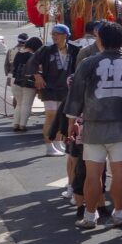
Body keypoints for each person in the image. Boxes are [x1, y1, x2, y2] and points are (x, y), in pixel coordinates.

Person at [66, 22, 122, 229]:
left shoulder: (88, 63)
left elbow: (75, 96)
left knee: (93, 174)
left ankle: (89, 216)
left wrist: (72, 123)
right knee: (119, 173)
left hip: (94, 126)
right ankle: (119, 214)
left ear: (100, 39)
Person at [27, 23, 79, 156]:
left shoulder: (74, 49)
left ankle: (57, 142)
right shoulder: (46, 49)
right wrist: (37, 75)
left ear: (65, 35)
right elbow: (31, 63)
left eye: (57, 34)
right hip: (49, 87)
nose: (54, 36)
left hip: (66, 88)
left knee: (62, 118)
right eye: (53, 34)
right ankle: (48, 145)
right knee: (51, 115)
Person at [10, 37, 41, 131]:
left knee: (19, 104)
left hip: (15, 81)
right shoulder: (32, 55)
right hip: (28, 82)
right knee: (26, 104)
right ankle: (22, 125)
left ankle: (15, 124)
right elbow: (37, 68)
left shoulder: (18, 53)